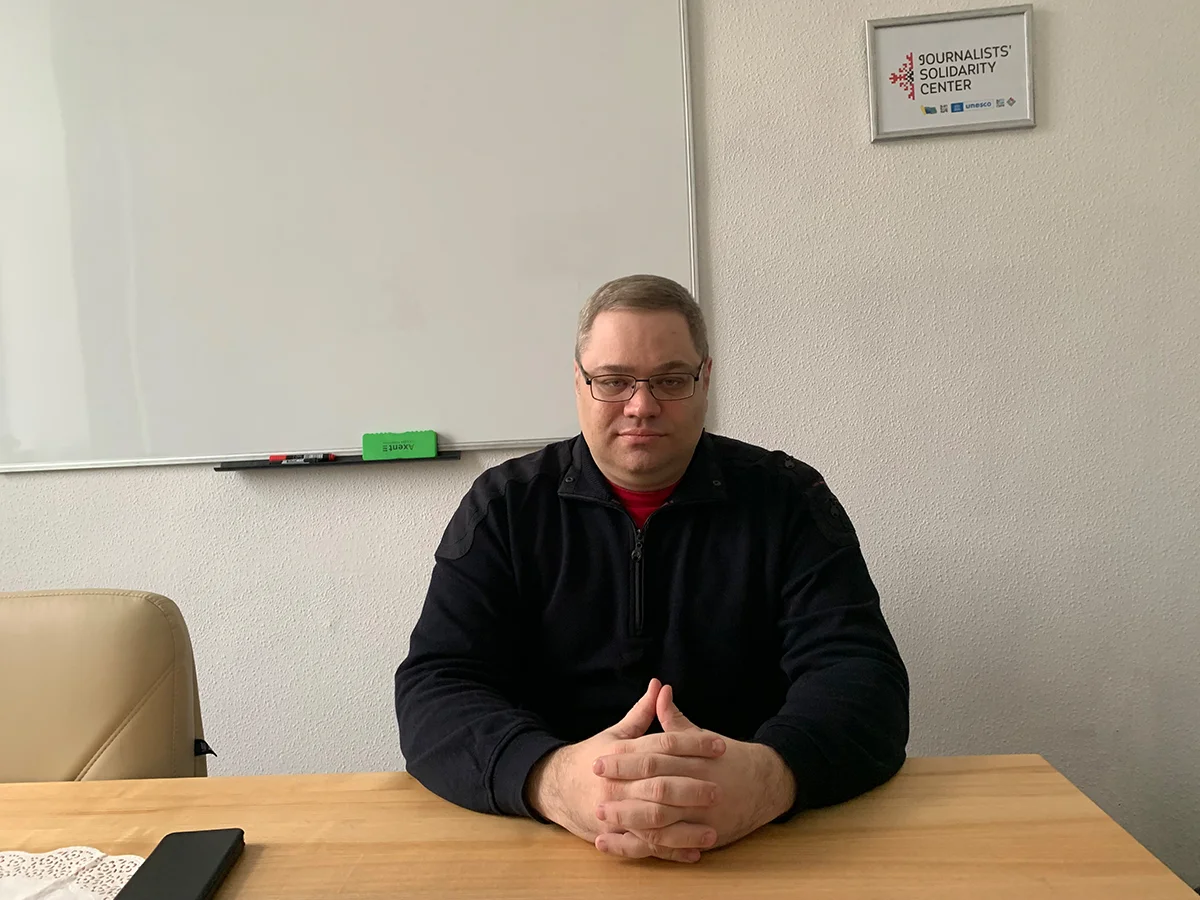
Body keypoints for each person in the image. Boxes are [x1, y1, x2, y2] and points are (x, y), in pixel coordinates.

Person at [394, 274, 909, 863]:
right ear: (579, 382)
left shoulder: (789, 500)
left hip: (759, 843)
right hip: (550, 842)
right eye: (613, 381)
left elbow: (863, 677)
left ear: (705, 380)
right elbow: (436, 688)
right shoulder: (505, 508)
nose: (641, 406)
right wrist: (551, 779)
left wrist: (771, 777)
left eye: (670, 379)